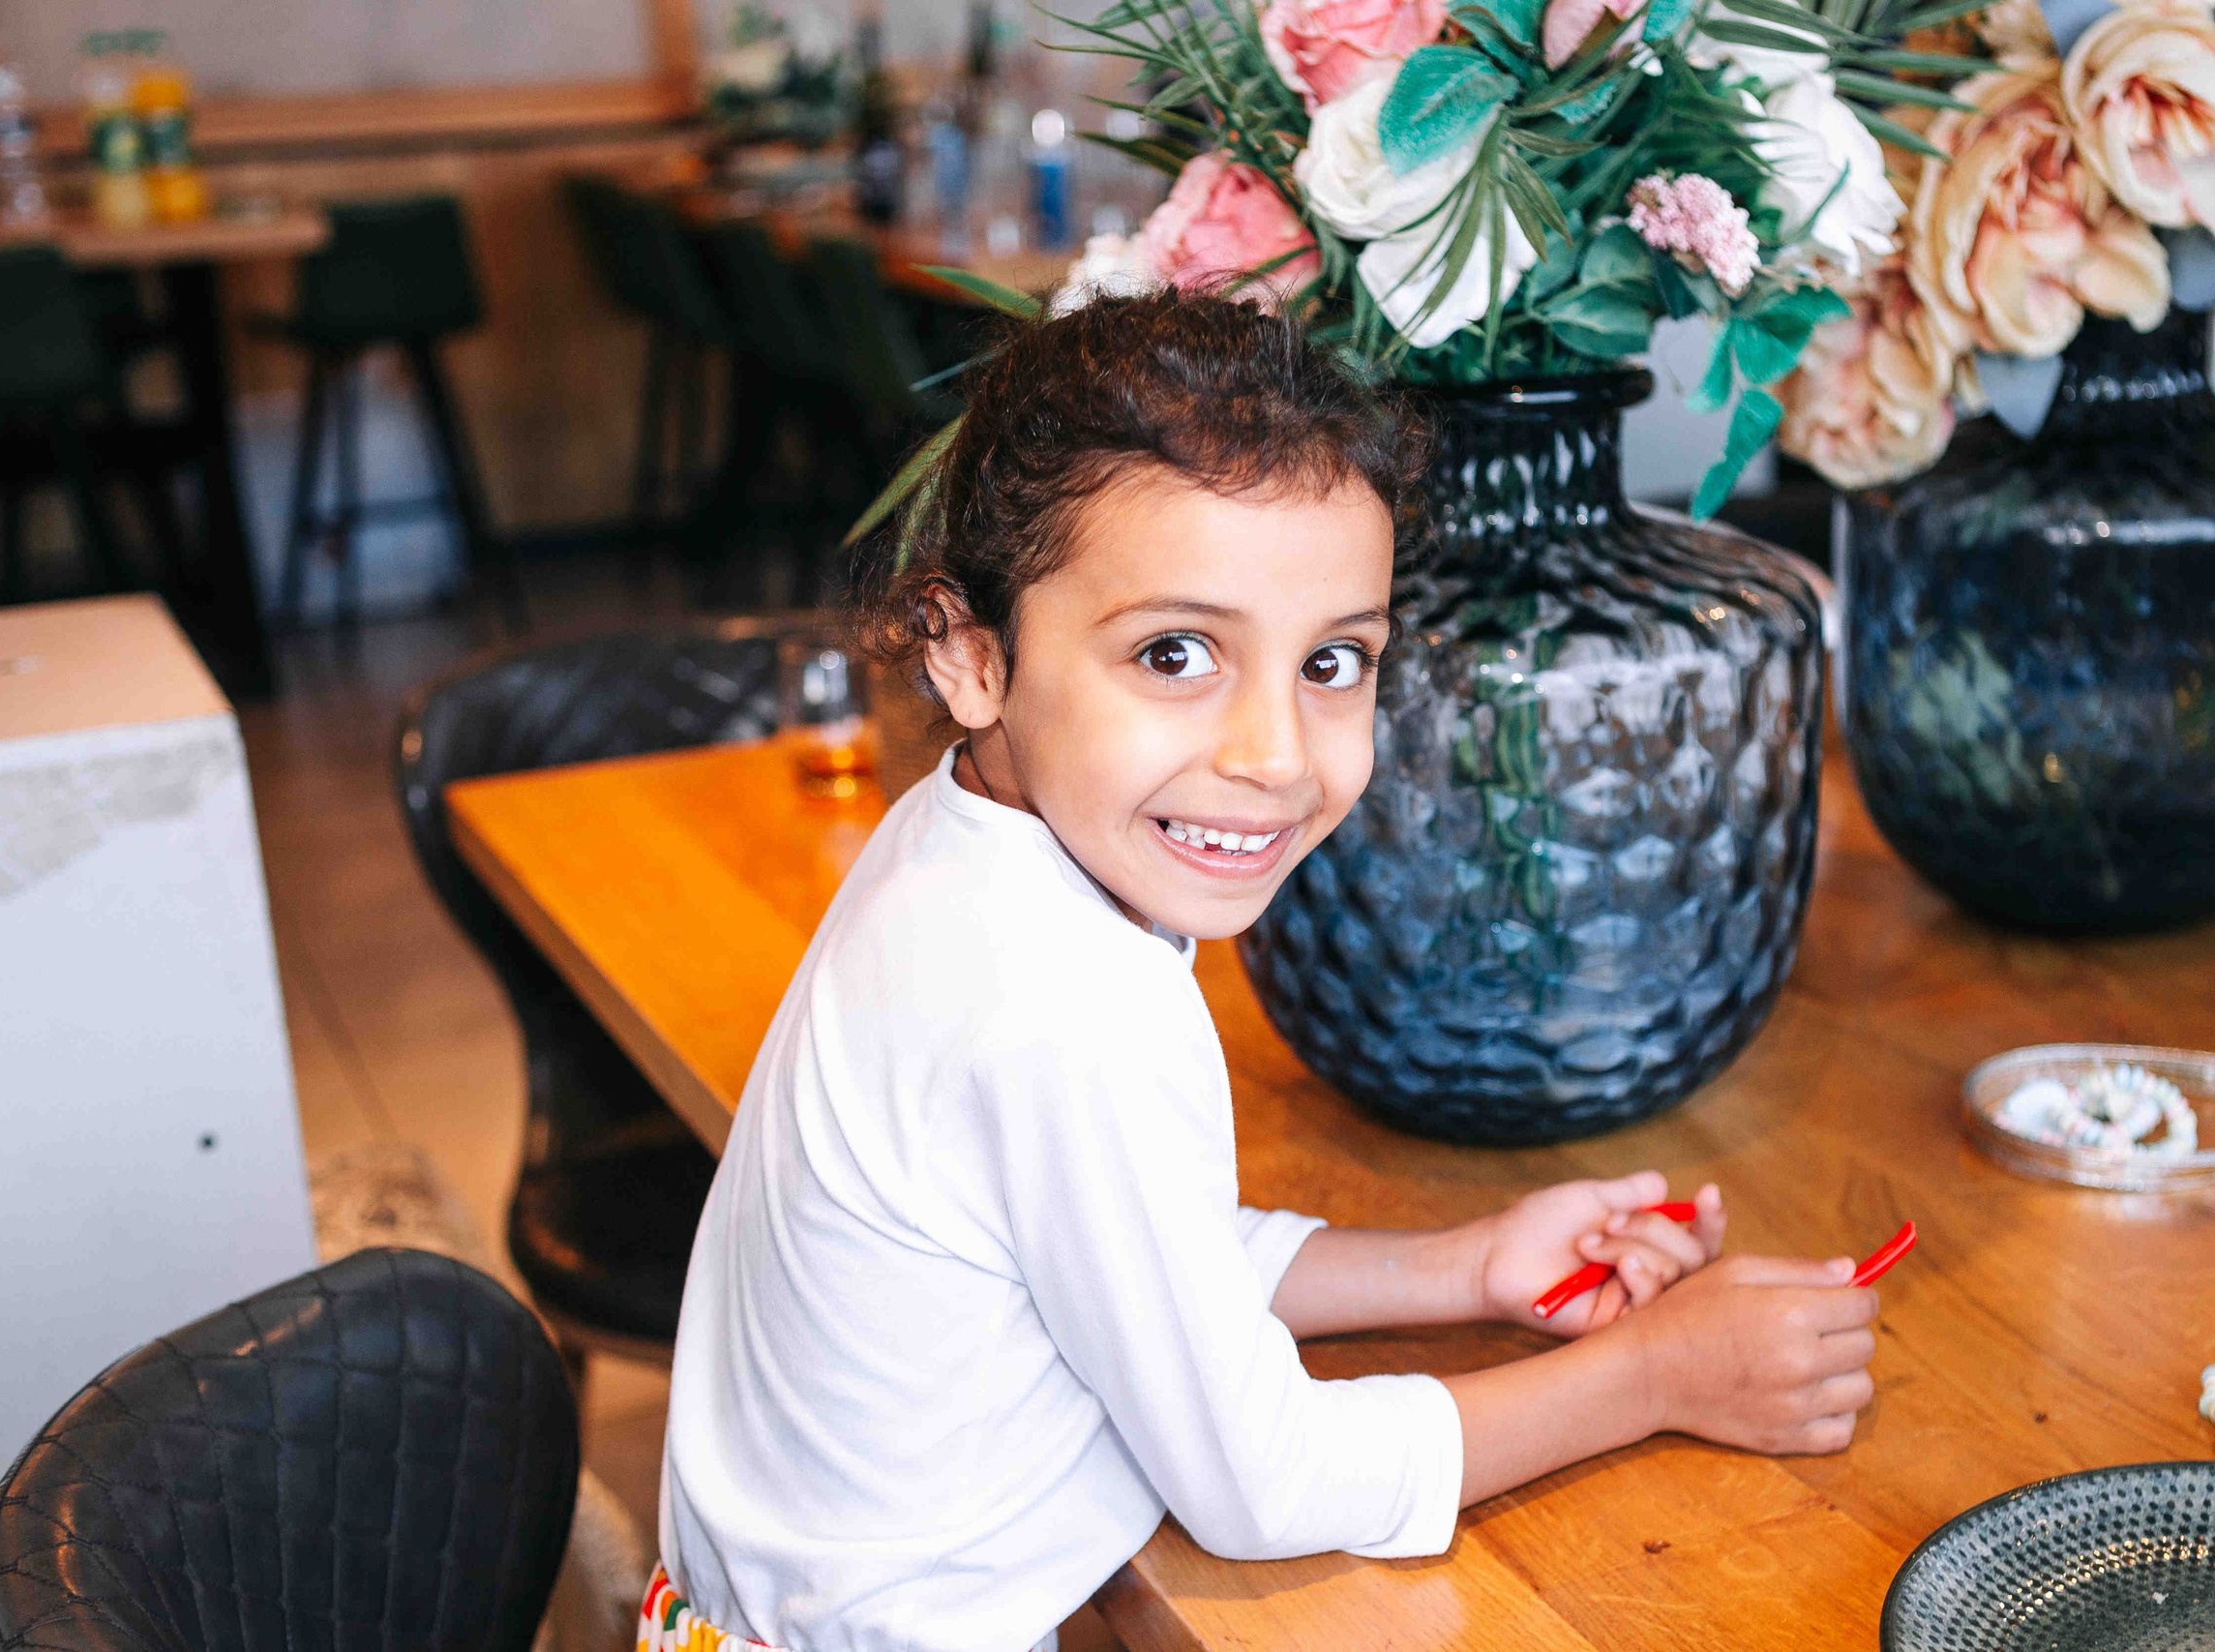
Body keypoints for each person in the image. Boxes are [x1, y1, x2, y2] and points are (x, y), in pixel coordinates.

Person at [651, 293, 1879, 1652]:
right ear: (972, 653)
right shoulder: (1059, 1006)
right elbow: (1264, 1480)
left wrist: (1465, 1266)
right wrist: (1654, 1375)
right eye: (1175, 655)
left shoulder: (965, 852)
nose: (1276, 753)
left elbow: (1120, 1249)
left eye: (1334, 661)